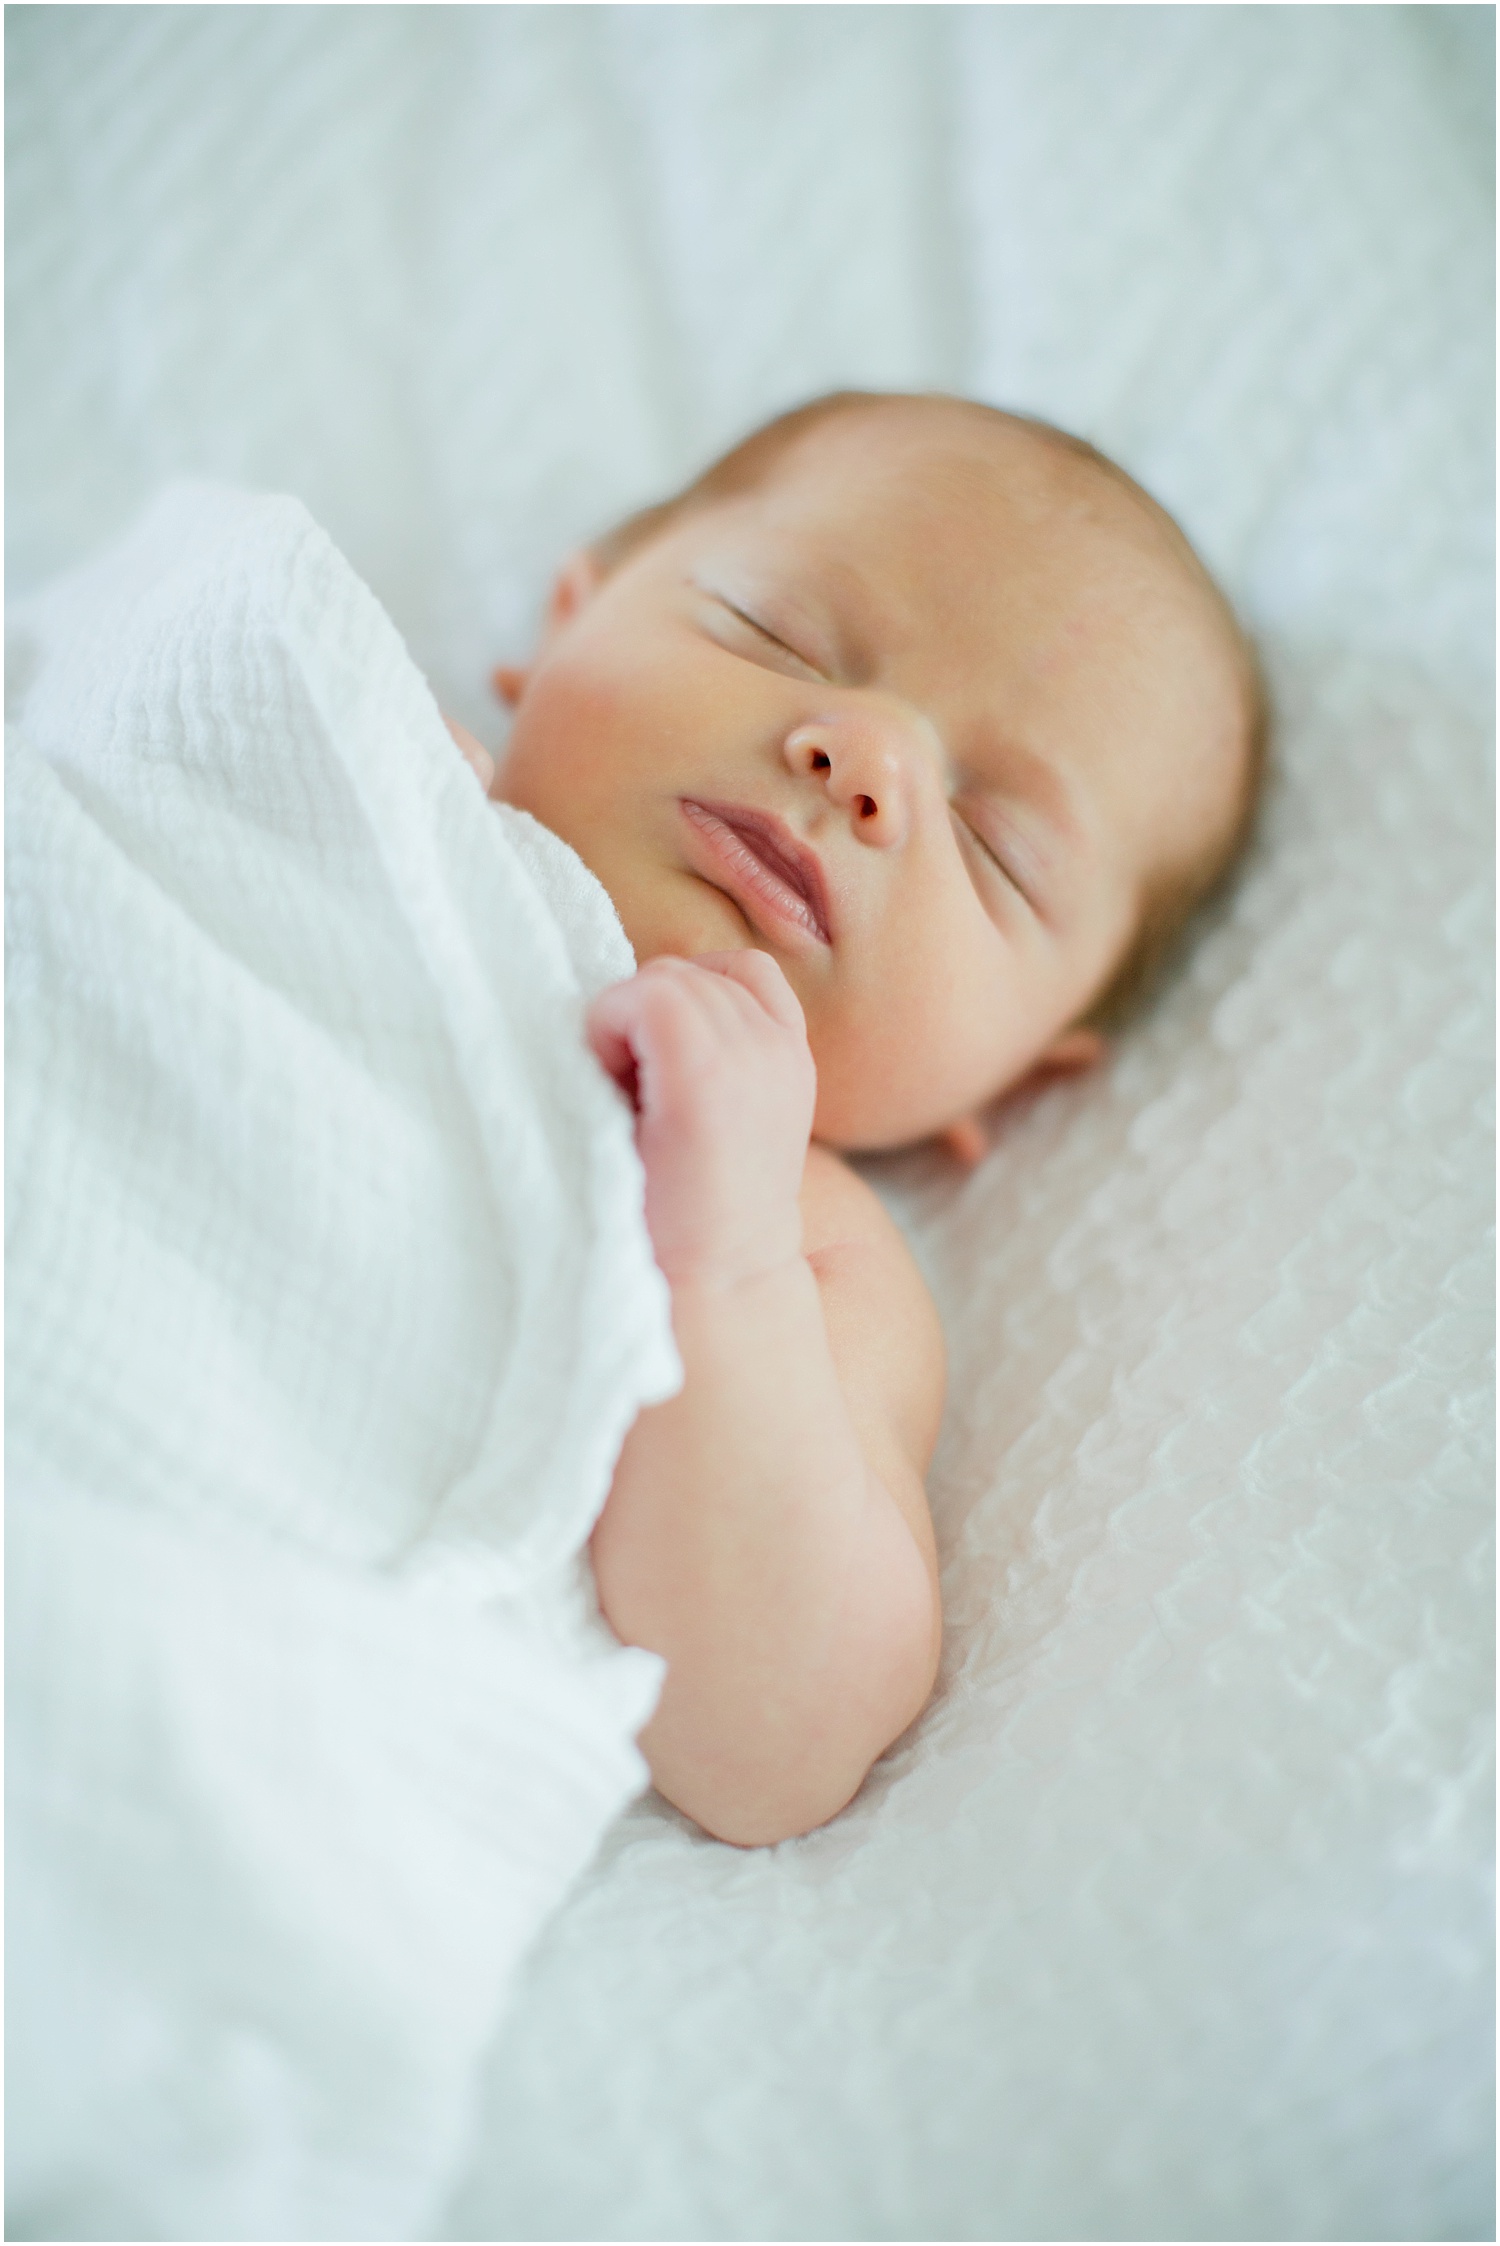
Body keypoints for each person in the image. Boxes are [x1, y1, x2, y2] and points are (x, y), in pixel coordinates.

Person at [448, 391, 1264, 1848]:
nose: (869, 758)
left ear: (1013, 1076)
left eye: (995, 847)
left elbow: (777, 1735)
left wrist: (722, 1250)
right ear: (569, 616)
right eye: (778, 632)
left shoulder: (809, 1251)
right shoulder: (355, 739)